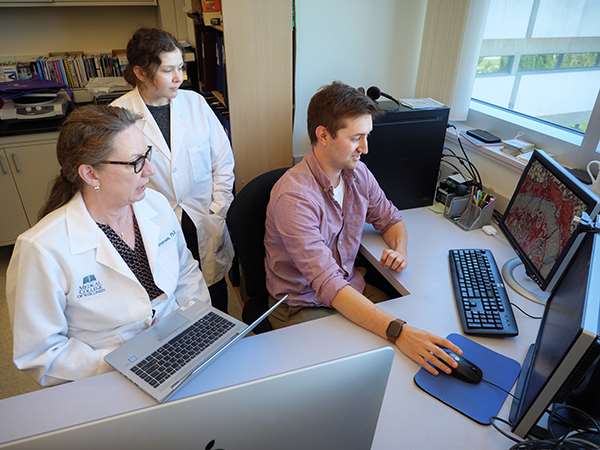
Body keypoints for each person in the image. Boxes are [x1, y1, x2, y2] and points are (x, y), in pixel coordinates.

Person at [264, 81, 462, 376]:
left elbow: (391, 218)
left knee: (418, 330)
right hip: (302, 305)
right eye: (357, 137)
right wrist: (399, 332)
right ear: (323, 135)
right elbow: (328, 284)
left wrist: (400, 250)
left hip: (347, 287)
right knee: (367, 370)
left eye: (367, 136)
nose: (365, 149)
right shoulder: (294, 197)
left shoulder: (356, 174)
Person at [6, 105, 210, 386]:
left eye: (147, 154)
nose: (150, 170)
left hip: (181, 348)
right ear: (90, 174)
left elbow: (186, 273)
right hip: (107, 378)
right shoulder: (41, 248)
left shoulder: (155, 204)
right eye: (137, 161)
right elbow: (41, 354)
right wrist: (126, 363)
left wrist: (196, 326)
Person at [112, 28, 234, 314]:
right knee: (167, 299)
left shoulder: (196, 103)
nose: (180, 78)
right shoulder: (118, 115)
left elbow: (223, 161)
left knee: (215, 292)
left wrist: (218, 208)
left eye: (181, 67)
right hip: (154, 223)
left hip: (204, 215)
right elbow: (118, 181)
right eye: (169, 70)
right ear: (141, 73)